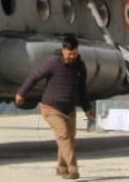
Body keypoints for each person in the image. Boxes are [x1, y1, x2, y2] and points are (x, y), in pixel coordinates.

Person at [15, 35, 92, 180]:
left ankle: (61, 168)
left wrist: (87, 108)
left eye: (75, 53)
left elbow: (82, 90)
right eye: (70, 54)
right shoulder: (53, 62)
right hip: (51, 108)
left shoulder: (80, 66)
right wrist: (21, 93)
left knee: (70, 139)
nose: (72, 57)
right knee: (63, 136)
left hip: (69, 109)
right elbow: (34, 76)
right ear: (63, 50)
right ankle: (73, 168)